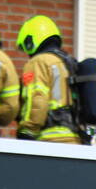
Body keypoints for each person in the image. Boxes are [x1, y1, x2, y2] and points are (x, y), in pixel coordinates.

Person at [15, 15, 81, 144]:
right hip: (75, 139)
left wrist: (27, 131)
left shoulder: (38, 62)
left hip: (51, 139)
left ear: (30, 41)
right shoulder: (69, 63)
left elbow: (37, 98)